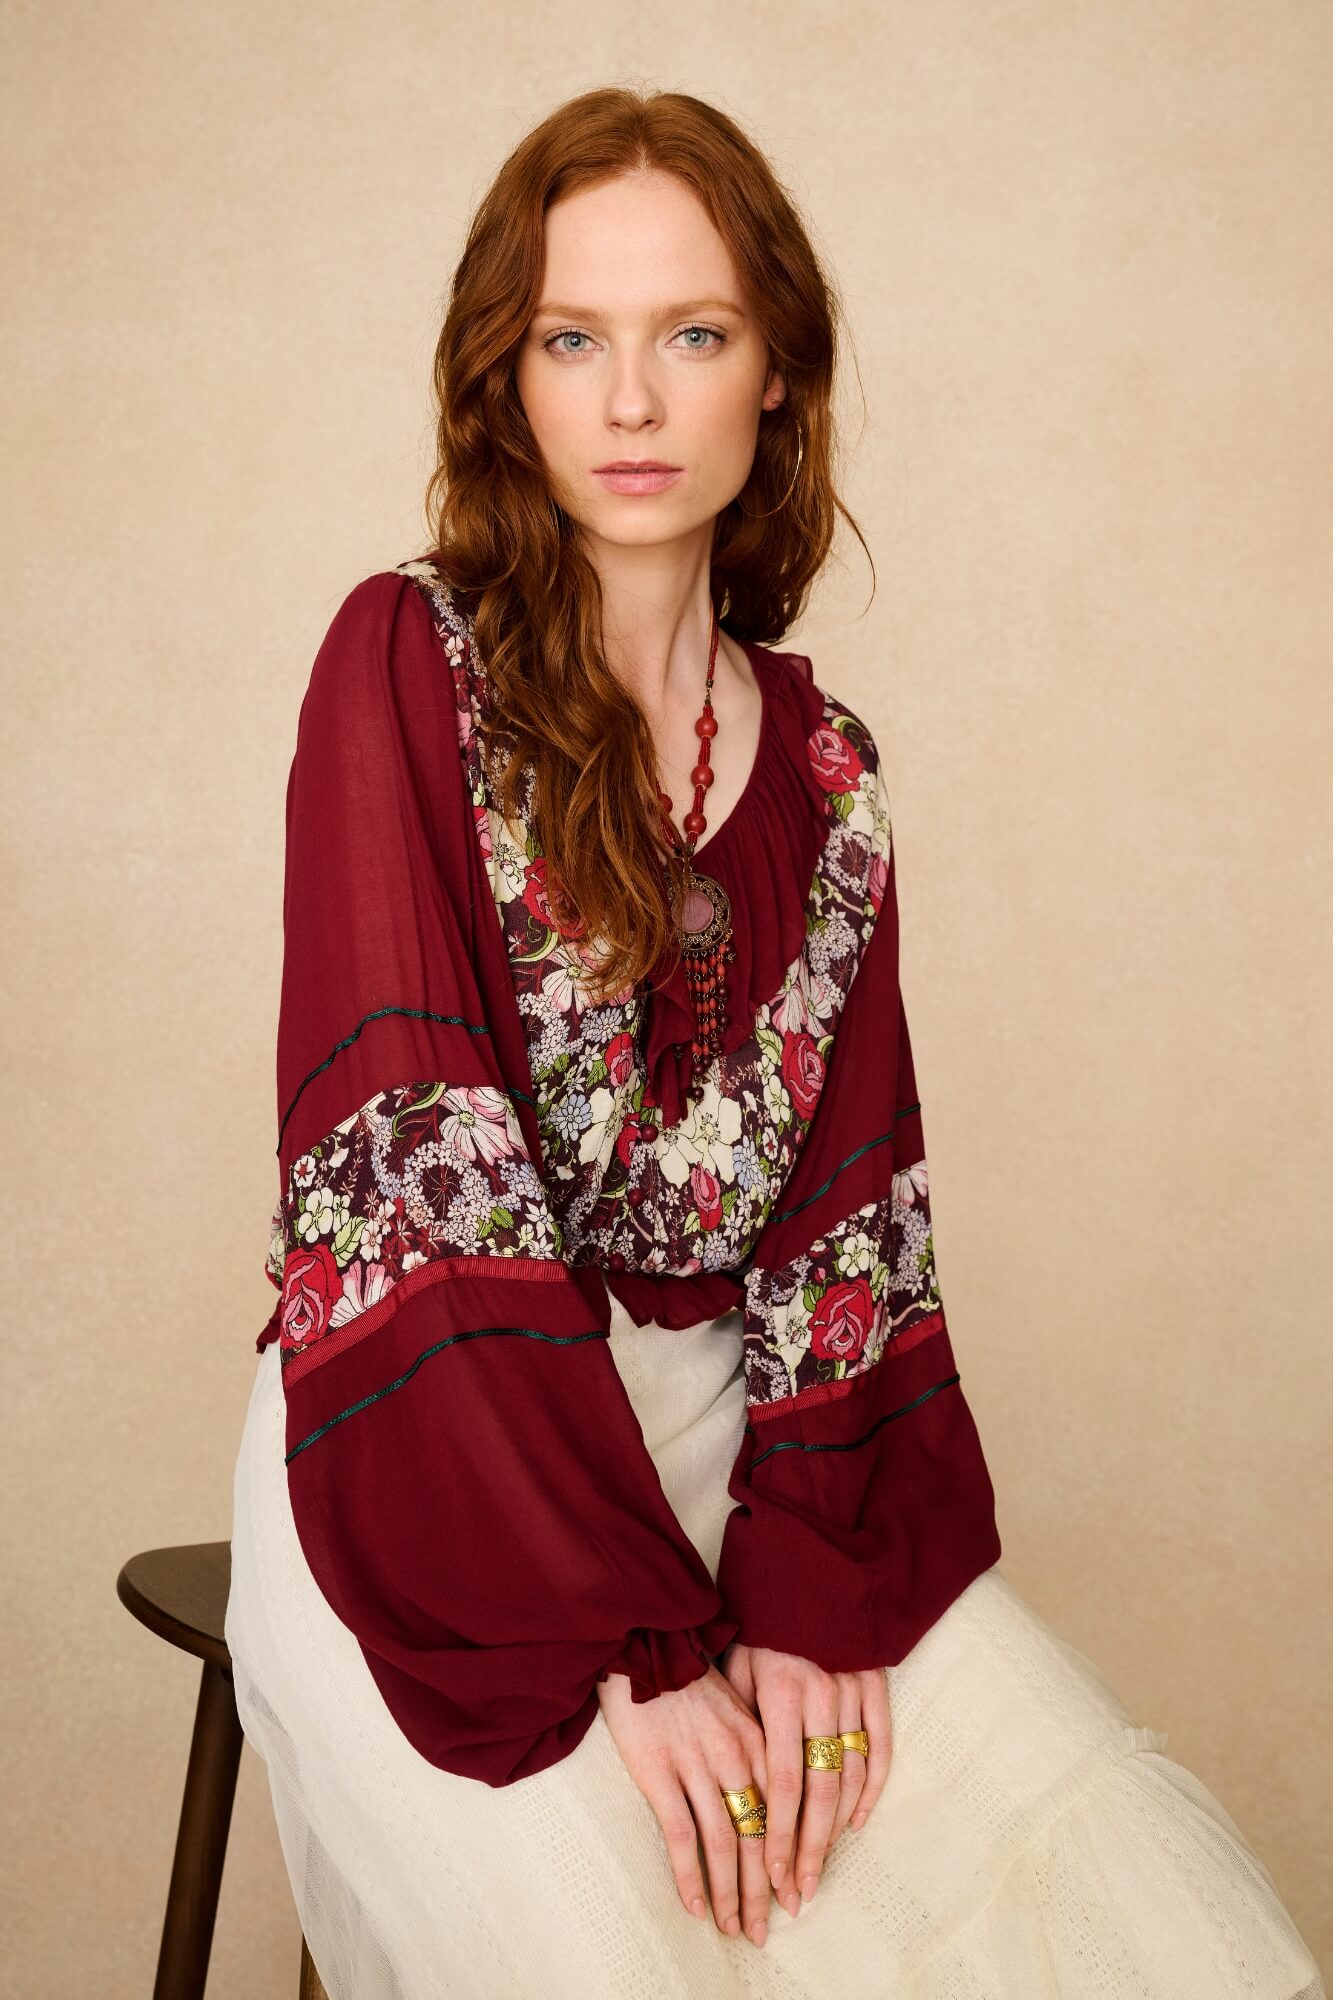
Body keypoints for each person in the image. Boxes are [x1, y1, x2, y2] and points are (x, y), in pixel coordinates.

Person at [224, 85, 1325, 2000]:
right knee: (655, 1943)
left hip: (737, 1449)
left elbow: (845, 1219)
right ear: (508, 382)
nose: (632, 402)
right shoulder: (400, 666)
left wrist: (810, 1593)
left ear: (779, 382)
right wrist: (627, 1652)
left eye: (693, 335)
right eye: (574, 338)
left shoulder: (829, 772)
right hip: (429, 1460)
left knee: (1102, 1902)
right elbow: (416, 1176)